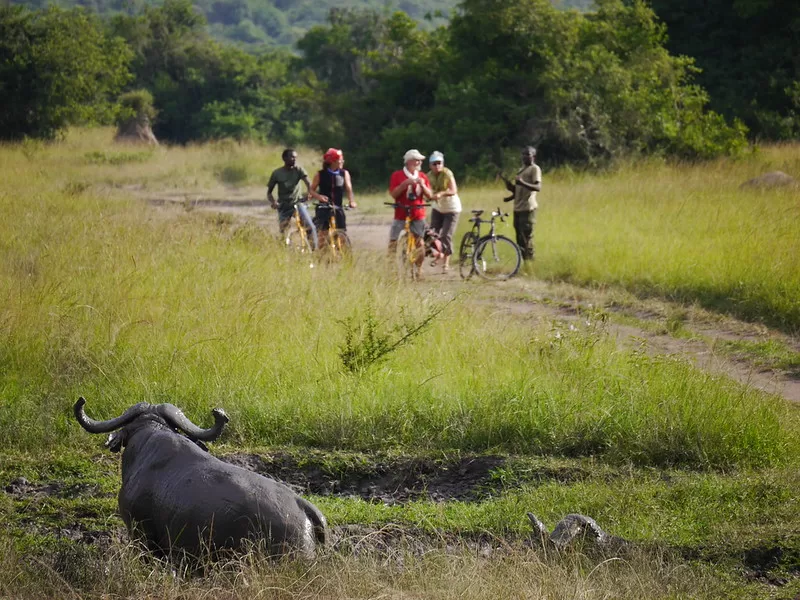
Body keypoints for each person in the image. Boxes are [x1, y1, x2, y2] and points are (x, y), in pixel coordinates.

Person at [267, 148, 325, 248]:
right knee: (283, 232)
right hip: (284, 205)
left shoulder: (299, 170)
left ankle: (314, 250)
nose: (294, 159)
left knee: (310, 226)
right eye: (292, 157)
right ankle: (284, 252)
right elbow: (269, 193)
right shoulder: (277, 173)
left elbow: (309, 184)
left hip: (298, 203)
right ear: (284, 158)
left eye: (295, 157)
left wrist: (309, 194)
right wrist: (273, 202)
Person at [388, 149, 433, 271]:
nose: (419, 162)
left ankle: (419, 269)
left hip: (418, 213)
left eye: (420, 160)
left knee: (420, 243)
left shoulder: (423, 176)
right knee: (393, 240)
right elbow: (394, 194)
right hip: (401, 212)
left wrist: (423, 185)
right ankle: (391, 266)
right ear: (408, 161)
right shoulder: (397, 175)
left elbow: (430, 195)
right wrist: (404, 185)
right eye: (416, 160)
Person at [501, 146, 542, 261]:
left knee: (526, 237)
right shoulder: (521, 169)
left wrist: (522, 182)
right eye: (523, 154)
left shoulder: (534, 169)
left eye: (527, 154)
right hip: (518, 208)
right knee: (519, 238)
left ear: (533, 156)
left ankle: (530, 262)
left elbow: (538, 187)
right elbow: (518, 190)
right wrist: (510, 188)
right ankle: (523, 262)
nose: (524, 157)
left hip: (528, 208)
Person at [310, 148, 356, 247]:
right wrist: (319, 197)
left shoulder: (344, 173)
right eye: (340, 159)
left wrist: (351, 201)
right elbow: (311, 190)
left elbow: (349, 189)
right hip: (323, 207)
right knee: (323, 234)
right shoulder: (320, 174)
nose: (342, 161)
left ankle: (344, 256)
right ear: (333, 161)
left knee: (341, 233)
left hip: (338, 207)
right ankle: (321, 256)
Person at [426, 151, 461, 273]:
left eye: (439, 163)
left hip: (451, 208)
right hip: (437, 208)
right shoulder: (428, 176)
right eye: (434, 163)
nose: (437, 166)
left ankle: (446, 263)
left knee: (446, 235)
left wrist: (441, 193)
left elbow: (453, 190)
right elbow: (427, 190)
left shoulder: (447, 173)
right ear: (430, 165)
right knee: (432, 234)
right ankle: (438, 254)